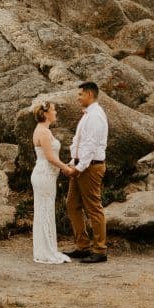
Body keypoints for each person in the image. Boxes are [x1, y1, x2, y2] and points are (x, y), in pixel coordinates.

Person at [64, 81, 109, 263]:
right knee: (72, 204)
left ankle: (100, 250)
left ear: (89, 94)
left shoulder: (95, 116)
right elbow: (79, 141)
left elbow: (90, 145)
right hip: (81, 165)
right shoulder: (87, 115)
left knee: (93, 207)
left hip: (90, 167)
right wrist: (72, 162)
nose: (78, 97)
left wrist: (79, 167)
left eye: (80, 94)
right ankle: (82, 246)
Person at [30, 100, 75, 264]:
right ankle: (45, 251)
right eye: (54, 110)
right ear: (46, 113)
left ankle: (45, 249)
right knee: (44, 211)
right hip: (44, 175)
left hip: (46, 175)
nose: (55, 113)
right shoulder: (43, 132)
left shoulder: (44, 130)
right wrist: (66, 168)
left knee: (45, 211)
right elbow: (49, 157)